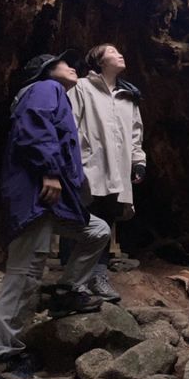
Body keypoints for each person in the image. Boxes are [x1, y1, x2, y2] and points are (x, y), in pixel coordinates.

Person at [0, 52, 110, 379]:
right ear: (46, 71)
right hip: (36, 195)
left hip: (53, 203)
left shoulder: (53, 92)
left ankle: (65, 292)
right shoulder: (46, 88)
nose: (72, 66)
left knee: (97, 231)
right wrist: (48, 170)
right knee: (24, 276)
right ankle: (2, 360)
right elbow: (35, 124)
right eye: (64, 63)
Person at [68, 43, 146, 303]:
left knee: (107, 218)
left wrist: (138, 161)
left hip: (118, 168)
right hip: (88, 165)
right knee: (80, 220)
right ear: (99, 61)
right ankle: (72, 280)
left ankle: (98, 276)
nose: (120, 54)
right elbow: (70, 122)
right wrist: (72, 161)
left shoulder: (128, 96)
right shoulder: (81, 87)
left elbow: (135, 134)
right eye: (111, 52)